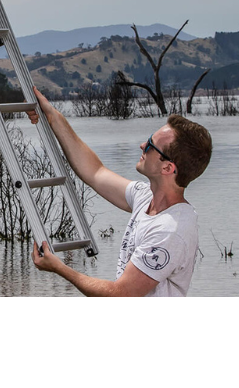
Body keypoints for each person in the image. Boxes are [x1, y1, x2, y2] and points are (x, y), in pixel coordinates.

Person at [26, 87, 213, 296]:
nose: (142, 145)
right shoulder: (145, 197)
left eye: (151, 145)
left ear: (167, 168)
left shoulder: (170, 230)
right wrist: (52, 115)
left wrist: (59, 268)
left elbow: (120, 294)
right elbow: (95, 172)